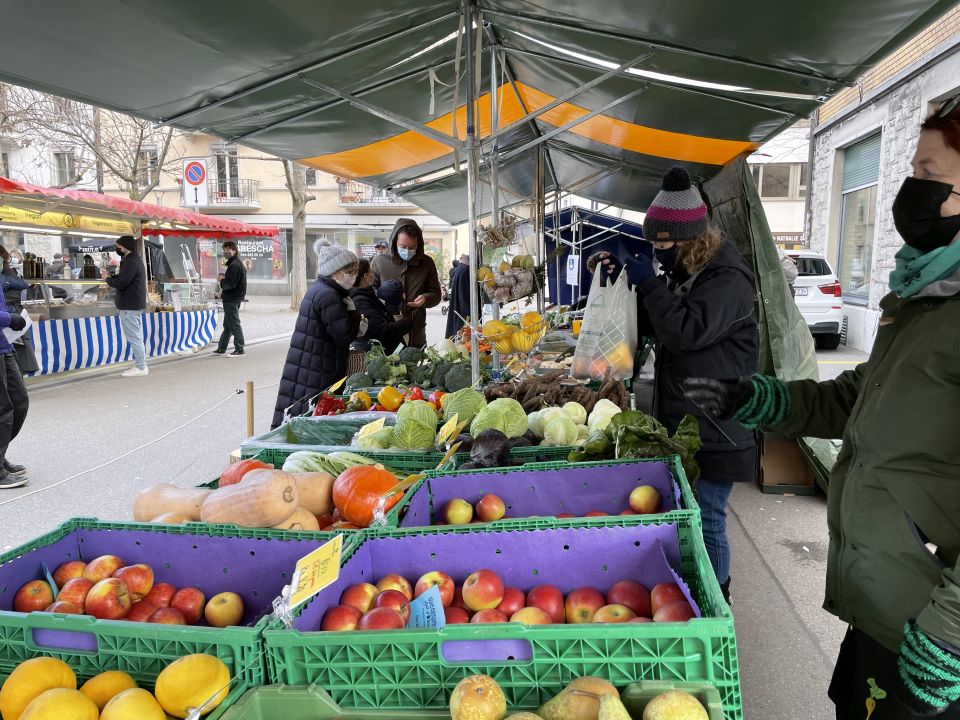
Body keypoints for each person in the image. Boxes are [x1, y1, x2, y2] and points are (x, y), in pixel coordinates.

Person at [685, 102, 960, 719]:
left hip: (933, 631)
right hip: (884, 603)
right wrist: (764, 398)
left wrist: (950, 639)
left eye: (929, 169)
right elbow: (853, 398)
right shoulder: (924, 304)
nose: (910, 183)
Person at [591, 167, 757, 602]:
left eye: (663, 244)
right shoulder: (689, 273)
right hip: (691, 422)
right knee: (693, 515)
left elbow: (687, 331)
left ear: (691, 239)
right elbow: (659, 326)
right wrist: (624, 282)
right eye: (653, 244)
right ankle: (698, 593)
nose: (657, 251)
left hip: (718, 426)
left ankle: (718, 603)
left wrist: (647, 279)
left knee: (710, 519)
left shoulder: (727, 280)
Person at [272, 240, 367, 428]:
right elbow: (344, 336)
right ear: (334, 271)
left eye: (355, 271)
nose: (354, 276)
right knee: (309, 418)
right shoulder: (329, 295)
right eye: (349, 272)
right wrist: (355, 317)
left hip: (310, 364)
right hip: (318, 368)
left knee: (298, 414)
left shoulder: (321, 289)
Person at [371, 218, 442, 348]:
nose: (407, 251)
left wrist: (425, 299)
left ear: (418, 244)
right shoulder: (379, 262)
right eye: (403, 247)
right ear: (394, 242)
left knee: (416, 366)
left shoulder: (426, 263)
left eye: (412, 247)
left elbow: (436, 295)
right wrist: (385, 299)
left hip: (415, 331)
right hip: (386, 329)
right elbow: (369, 292)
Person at [102, 236, 148, 377]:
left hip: (130, 305)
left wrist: (108, 279)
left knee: (134, 337)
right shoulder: (133, 260)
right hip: (133, 304)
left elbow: (122, 283)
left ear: (125, 246)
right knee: (136, 336)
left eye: (119, 246)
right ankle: (140, 365)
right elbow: (125, 278)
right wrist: (113, 277)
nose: (117, 249)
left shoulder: (131, 262)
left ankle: (141, 367)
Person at [0, 282, 29, 489]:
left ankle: (0, 455)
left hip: (4, 345)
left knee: (20, 403)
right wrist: (10, 318)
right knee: (3, 409)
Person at [349, 259, 411, 351]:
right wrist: (410, 320)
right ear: (366, 276)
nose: (373, 274)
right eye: (371, 271)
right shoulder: (360, 302)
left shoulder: (367, 295)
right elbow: (384, 330)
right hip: (373, 355)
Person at [0, 247, 37, 374]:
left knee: (16, 360)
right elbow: (24, 284)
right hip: (11, 319)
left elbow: (25, 284)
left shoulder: (8, 275)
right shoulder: (8, 277)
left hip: (12, 322)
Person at [213, 240, 247, 357]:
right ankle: (221, 348)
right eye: (225, 249)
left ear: (234, 250)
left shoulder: (235, 265)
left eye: (229, 249)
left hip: (232, 298)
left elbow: (231, 284)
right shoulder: (234, 264)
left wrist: (222, 281)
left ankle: (240, 348)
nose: (226, 251)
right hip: (233, 297)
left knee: (234, 323)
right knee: (228, 324)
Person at [446, 253, 473, 338]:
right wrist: (469, 315)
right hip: (462, 313)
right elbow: (464, 295)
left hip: (457, 308)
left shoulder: (460, 268)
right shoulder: (465, 270)